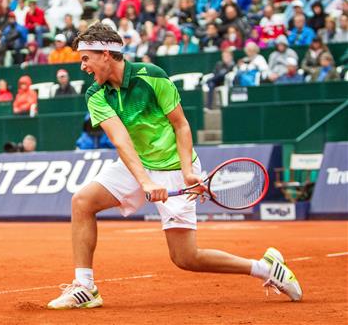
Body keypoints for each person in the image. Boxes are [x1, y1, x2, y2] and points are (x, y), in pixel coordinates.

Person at [47, 22, 302, 310]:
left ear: (105, 54)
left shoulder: (152, 76)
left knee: (185, 258)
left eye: (85, 58)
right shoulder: (95, 94)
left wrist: (188, 171)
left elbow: (180, 125)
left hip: (175, 167)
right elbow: (121, 141)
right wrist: (145, 182)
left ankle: (266, 269)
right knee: (82, 201)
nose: (82, 67)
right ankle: (85, 287)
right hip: (136, 164)